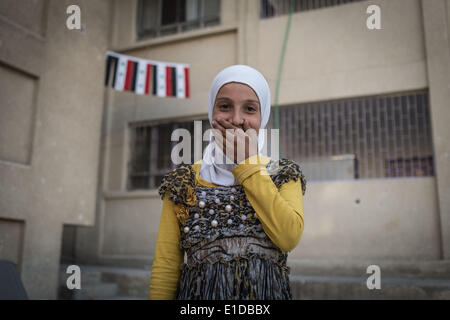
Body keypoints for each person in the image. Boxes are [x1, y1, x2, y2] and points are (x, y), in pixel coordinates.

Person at [149, 65, 306, 300]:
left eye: (250, 109)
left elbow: (288, 237)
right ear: (211, 111)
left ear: (263, 118)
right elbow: (166, 266)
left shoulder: (283, 174)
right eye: (224, 106)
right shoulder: (184, 182)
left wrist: (247, 164)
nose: (236, 119)